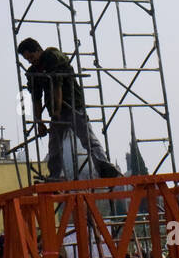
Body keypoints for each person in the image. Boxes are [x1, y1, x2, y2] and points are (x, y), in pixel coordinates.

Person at [17, 36, 121, 179]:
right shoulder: (33, 71)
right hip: (55, 111)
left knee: (88, 139)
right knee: (55, 146)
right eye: (27, 59)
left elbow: (57, 83)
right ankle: (55, 175)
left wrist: (57, 111)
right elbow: (36, 99)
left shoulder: (52, 57)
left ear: (38, 50)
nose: (31, 60)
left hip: (73, 106)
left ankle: (104, 167)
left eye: (31, 56)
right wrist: (39, 122)